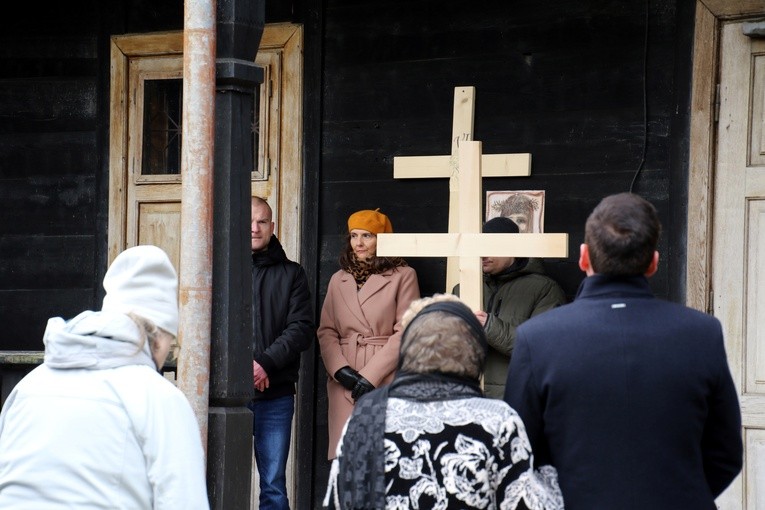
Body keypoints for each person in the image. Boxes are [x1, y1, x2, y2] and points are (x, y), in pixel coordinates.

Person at [504, 192, 743, 509]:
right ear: (653, 263)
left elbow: (519, 456)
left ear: (584, 257)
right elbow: (725, 454)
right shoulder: (701, 332)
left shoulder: (537, 338)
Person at [0, 245, 209, 509]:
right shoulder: (159, 398)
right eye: (171, 344)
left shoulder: (27, 386)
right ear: (159, 336)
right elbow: (184, 501)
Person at [323, 294, 564, 510]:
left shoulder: (367, 413)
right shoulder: (497, 419)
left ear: (409, 349)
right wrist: (550, 470)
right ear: (473, 351)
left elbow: (339, 497)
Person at [317, 208, 420, 459]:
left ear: (382, 239)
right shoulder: (338, 279)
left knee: (381, 458)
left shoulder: (403, 275)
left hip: (384, 377)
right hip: (344, 380)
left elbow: (406, 330)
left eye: (367, 236)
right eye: (354, 236)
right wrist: (339, 369)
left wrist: (370, 376)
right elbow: (327, 330)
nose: (359, 243)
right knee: (347, 460)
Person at [249, 196, 314, 510]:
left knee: (273, 487)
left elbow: (301, 328)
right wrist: (239, 370)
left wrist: (264, 364)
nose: (254, 228)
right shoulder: (219, 269)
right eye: (249, 221)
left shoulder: (293, 274)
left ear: (272, 226)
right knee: (212, 478)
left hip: (275, 396)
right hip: (222, 395)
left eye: (262, 221)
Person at [454, 216, 566, 398]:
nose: (483, 254)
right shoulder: (463, 288)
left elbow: (544, 348)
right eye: (480, 247)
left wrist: (490, 326)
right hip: (467, 397)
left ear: (513, 247)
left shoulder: (544, 289)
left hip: (517, 398)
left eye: (491, 247)